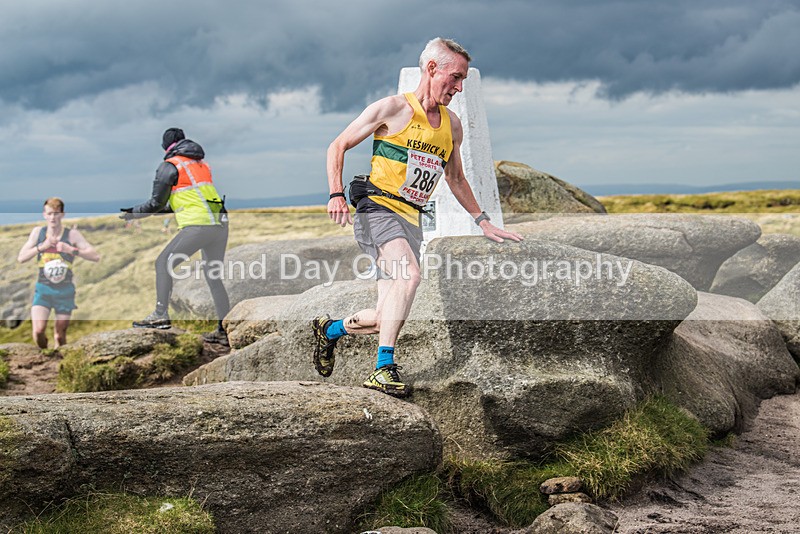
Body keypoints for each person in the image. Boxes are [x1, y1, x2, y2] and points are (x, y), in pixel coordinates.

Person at [313, 38, 523, 397]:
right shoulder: (393, 109)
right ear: (431, 69)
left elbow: (455, 178)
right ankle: (383, 368)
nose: (458, 87)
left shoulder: (452, 126)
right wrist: (335, 193)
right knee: (410, 276)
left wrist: (482, 220)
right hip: (376, 208)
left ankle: (329, 330)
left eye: (463, 81)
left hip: (410, 219)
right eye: (455, 78)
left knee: (385, 316)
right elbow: (338, 145)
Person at [121, 128, 231, 346]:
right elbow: (184, 201)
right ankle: (224, 330)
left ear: (165, 146)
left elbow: (156, 203)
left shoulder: (170, 166)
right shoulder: (200, 164)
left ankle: (160, 315)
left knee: (163, 263)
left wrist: (133, 213)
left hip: (198, 226)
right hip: (219, 224)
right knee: (213, 277)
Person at [17, 197, 100, 348]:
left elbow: (95, 256)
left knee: (59, 335)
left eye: (56, 213)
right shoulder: (38, 233)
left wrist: (71, 250)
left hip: (65, 292)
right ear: (44, 214)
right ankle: (44, 356)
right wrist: (41, 247)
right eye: (49, 214)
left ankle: (59, 364)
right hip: (43, 290)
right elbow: (21, 258)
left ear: (62, 214)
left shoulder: (71, 235)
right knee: (38, 331)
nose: (52, 217)